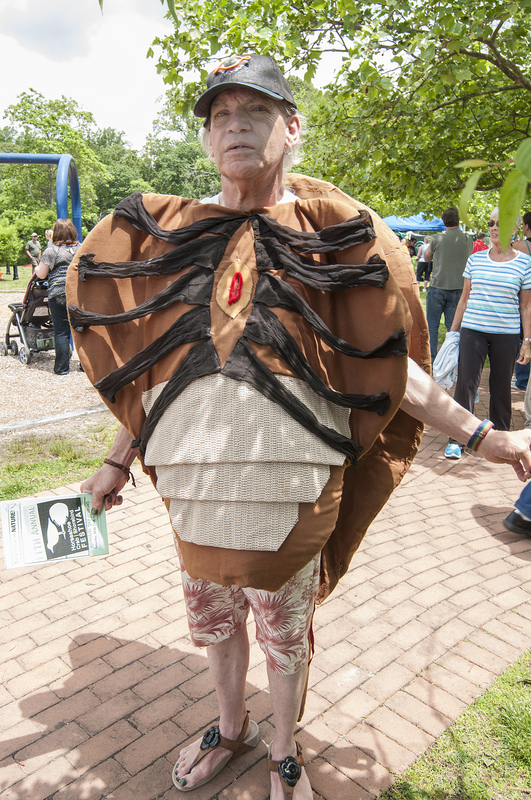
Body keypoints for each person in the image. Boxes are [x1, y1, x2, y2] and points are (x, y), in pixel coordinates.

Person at [66, 55, 531, 800]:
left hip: (292, 494)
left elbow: (387, 369)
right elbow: (155, 367)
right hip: (194, 498)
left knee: (284, 638)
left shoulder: (337, 238)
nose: (233, 126)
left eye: (253, 111)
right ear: (207, 137)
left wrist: (487, 436)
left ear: (292, 126)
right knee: (215, 628)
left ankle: (284, 751)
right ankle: (230, 726)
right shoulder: (172, 237)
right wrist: (117, 462)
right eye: (219, 116)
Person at [444, 208, 531, 459]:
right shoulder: (476, 259)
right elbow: (463, 299)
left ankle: (500, 438)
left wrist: (527, 341)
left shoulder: (525, 263)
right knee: (466, 385)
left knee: (501, 386)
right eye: (491, 223)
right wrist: (452, 334)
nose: (494, 228)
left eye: (500, 224)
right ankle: (458, 438)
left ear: (514, 229)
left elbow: (526, 305)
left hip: (507, 334)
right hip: (473, 331)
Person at [423, 208, 473, 363]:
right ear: (458, 221)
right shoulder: (467, 240)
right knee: (454, 330)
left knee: (432, 327)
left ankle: (431, 360)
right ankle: (451, 361)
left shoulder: (436, 239)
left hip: (438, 286)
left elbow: (426, 258)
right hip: (458, 289)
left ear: (443, 221)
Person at [35, 219, 80, 375]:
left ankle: (62, 368)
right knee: (81, 329)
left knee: (61, 332)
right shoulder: (81, 248)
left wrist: (36, 266)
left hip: (59, 293)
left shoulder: (51, 251)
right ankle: (85, 366)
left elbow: (41, 274)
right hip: (79, 293)